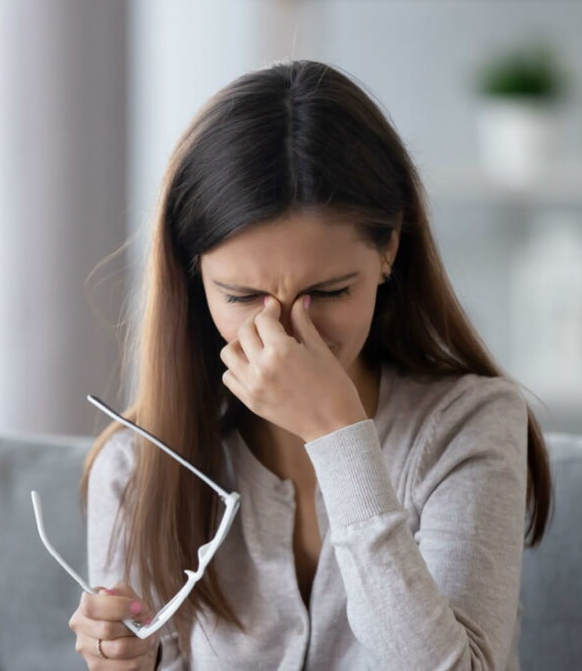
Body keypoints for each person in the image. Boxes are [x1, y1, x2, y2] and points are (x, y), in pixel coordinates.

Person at [71, 59, 554, 670]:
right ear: (195, 281)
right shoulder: (138, 465)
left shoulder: (470, 424)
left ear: (389, 251)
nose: (283, 335)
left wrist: (338, 436)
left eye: (328, 293)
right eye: (242, 298)